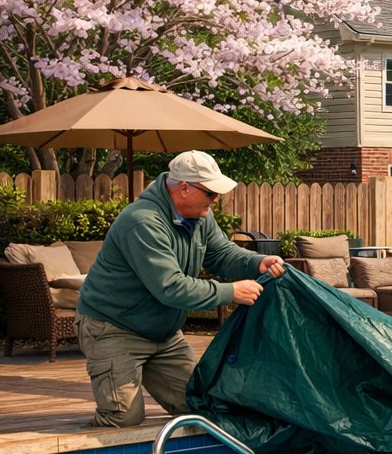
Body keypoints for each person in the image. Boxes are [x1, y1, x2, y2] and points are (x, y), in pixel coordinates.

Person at [75, 150, 285, 427]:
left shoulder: (200, 216)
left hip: (163, 334)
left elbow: (222, 254)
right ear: (184, 188)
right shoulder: (143, 222)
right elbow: (171, 287)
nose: (216, 199)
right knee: (123, 417)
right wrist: (230, 292)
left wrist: (258, 263)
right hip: (114, 328)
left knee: (202, 406)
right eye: (210, 193)